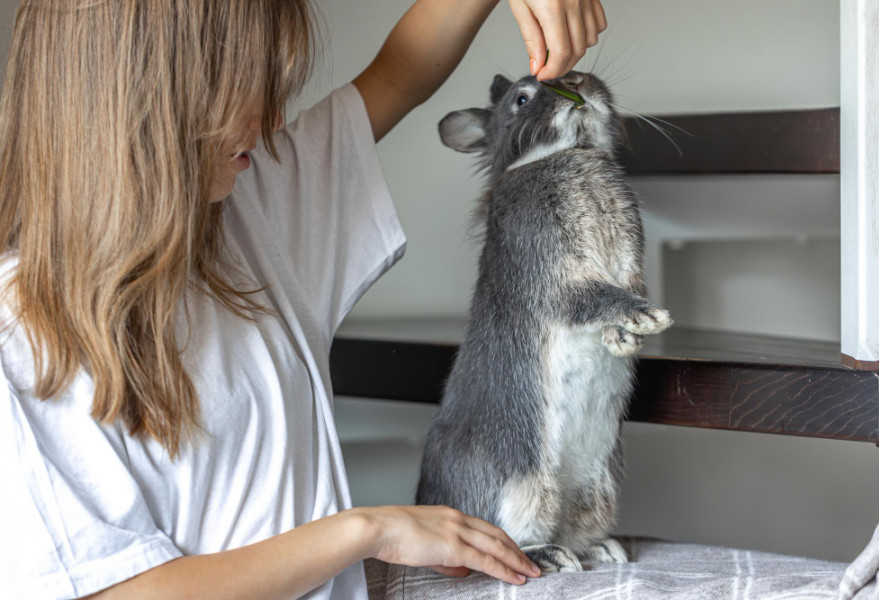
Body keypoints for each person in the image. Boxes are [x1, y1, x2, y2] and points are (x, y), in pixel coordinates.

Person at [0, 0, 606, 598]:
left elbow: (400, 72)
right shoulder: (20, 338)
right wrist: (366, 530)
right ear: (148, 98)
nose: (268, 122)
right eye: (242, 87)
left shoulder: (248, 210)